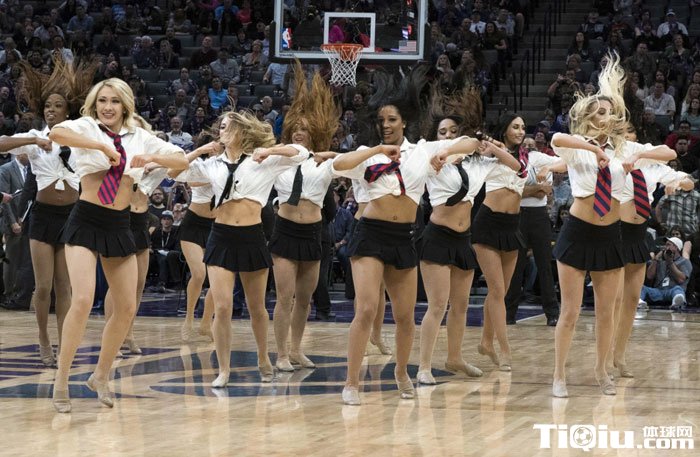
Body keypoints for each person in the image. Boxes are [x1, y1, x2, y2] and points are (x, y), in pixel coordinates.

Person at [332, 65, 485, 405]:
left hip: (403, 237)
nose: (386, 125)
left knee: (405, 315)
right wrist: (375, 151)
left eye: (392, 120)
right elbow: (339, 165)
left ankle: (402, 372)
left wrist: (445, 151)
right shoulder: (367, 154)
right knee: (367, 309)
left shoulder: (422, 151)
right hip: (370, 235)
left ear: (404, 122)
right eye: (381, 121)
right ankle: (352, 383)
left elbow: (471, 142)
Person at [48, 78, 188, 413]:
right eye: (102, 101)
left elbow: (181, 160)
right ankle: (61, 380)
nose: (107, 107)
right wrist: (100, 148)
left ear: (125, 104)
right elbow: (56, 134)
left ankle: (100, 375)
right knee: (83, 299)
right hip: (86, 219)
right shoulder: (87, 127)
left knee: (126, 307)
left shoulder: (139, 136)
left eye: (113, 101)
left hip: (119, 224)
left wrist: (152, 157)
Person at [547, 55, 674, 398]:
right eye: (600, 112)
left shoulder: (625, 147)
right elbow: (557, 140)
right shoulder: (578, 149)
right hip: (577, 232)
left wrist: (635, 157)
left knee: (607, 312)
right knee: (570, 312)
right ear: (588, 117)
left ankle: (602, 370)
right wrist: (593, 149)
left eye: (609, 111)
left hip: (611, 235)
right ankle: (559, 374)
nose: (607, 116)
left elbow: (669, 153)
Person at [173, 111, 308, 388]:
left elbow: (301, 153)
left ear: (242, 131)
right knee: (222, 306)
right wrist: (199, 150)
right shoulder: (212, 164)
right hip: (220, 237)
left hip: (251, 237)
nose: (222, 131)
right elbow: (173, 172)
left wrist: (269, 150)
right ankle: (223, 369)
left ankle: (263, 357)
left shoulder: (262, 161)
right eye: (221, 127)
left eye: (228, 127)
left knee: (256, 307)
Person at [417, 88, 517, 385]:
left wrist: (492, 146)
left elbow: (517, 167)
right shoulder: (430, 156)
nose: (447, 136)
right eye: (442, 132)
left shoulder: (476, 164)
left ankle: (455, 357)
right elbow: (453, 147)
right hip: (437, 237)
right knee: (437, 306)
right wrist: (444, 152)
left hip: (463, 240)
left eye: (452, 131)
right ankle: (424, 366)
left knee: (461, 305)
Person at [0, 59, 94, 362]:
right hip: (42, 216)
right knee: (42, 287)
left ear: (68, 111)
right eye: (48, 106)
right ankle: (43, 338)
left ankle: (65, 343)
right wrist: (32, 139)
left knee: (64, 286)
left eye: (58, 106)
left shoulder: (80, 139)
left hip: (72, 216)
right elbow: (2, 143)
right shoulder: (34, 138)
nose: (51, 110)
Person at [473, 112, 561, 372]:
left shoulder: (528, 157)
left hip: (512, 226)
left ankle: (486, 341)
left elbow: (562, 163)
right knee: (497, 291)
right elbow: (503, 160)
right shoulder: (489, 153)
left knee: (498, 292)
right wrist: (490, 145)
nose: (521, 131)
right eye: (515, 127)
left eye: (523, 127)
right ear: (505, 129)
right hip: (488, 223)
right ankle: (504, 350)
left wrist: (548, 168)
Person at [271, 66, 340, 372]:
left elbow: (348, 160)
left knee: (304, 298)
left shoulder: (324, 163)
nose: (299, 132)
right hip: (285, 230)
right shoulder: (278, 159)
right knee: (284, 297)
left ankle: (297, 350)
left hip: (314, 233)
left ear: (314, 133)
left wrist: (328, 155)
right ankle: (281, 354)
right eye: (295, 128)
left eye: (305, 129)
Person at [607, 123, 690, 379]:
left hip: (639, 235)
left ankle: (620, 355)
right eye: (622, 133)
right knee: (614, 300)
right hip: (615, 231)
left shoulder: (652, 164)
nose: (627, 138)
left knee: (632, 300)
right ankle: (605, 354)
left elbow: (681, 172)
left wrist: (680, 183)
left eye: (631, 133)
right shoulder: (614, 159)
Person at [639, 237, 693, 310]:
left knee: (678, 289)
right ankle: (639, 302)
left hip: (672, 290)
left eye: (668, 245)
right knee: (642, 288)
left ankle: (677, 302)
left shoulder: (684, 261)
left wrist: (670, 263)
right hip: (659, 291)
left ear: (676, 247)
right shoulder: (660, 261)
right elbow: (649, 276)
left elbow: (681, 280)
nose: (665, 247)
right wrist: (656, 259)